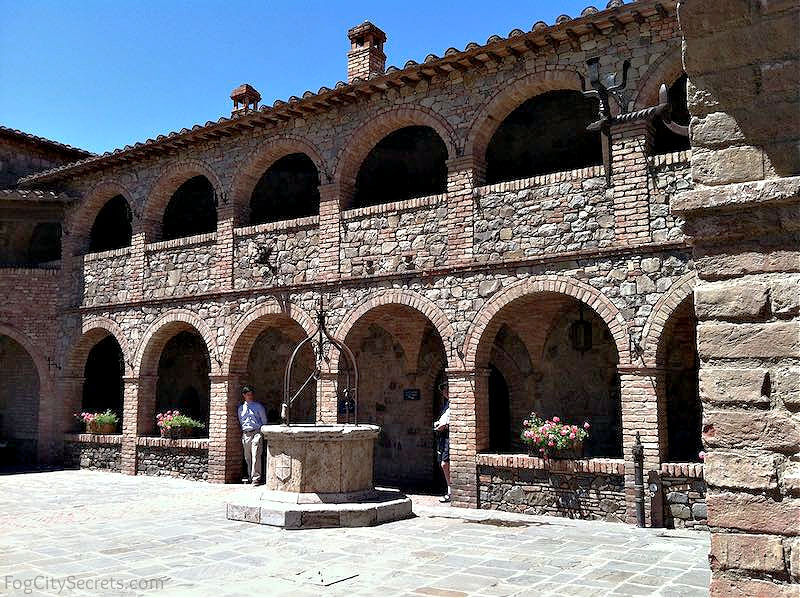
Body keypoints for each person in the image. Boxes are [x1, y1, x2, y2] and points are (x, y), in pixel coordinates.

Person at [237, 385, 267, 485]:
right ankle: (250, 476)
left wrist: (261, 433)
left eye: (251, 394)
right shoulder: (240, 409)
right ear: (244, 395)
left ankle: (256, 478)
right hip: (246, 434)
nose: (250, 396)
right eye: (248, 395)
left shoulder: (258, 407)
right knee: (247, 457)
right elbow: (241, 421)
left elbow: (264, 421)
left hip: (256, 433)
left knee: (256, 455)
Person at [434, 381, 451, 503]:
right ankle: (450, 491)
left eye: (446, 389)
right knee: (444, 463)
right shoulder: (447, 404)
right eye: (443, 390)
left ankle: (451, 492)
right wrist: (439, 423)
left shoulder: (457, 403)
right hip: (443, 436)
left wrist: (445, 426)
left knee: (445, 463)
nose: (444, 392)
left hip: (450, 436)